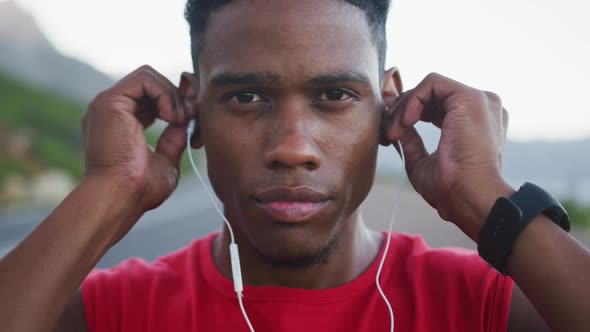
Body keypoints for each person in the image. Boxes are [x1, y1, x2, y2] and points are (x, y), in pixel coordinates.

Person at [1, 0, 589, 331]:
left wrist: (485, 195)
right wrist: (109, 189)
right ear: (191, 109)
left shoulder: (482, 305)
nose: (292, 147)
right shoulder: (118, 313)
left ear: (391, 107)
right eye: (246, 97)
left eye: (334, 95)